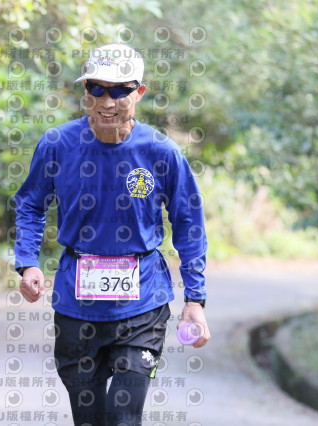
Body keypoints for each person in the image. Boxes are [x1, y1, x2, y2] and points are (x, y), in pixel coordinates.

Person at [13, 43, 210, 426]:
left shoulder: (161, 152)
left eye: (120, 90)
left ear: (139, 92)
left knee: (123, 415)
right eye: (97, 88)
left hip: (143, 304)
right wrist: (27, 263)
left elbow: (189, 223)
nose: (107, 101)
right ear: (85, 89)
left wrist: (195, 299)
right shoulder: (58, 144)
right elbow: (30, 203)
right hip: (76, 305)